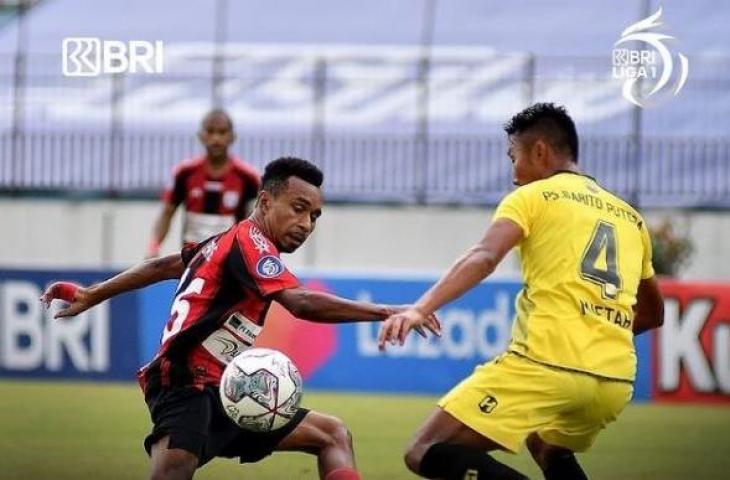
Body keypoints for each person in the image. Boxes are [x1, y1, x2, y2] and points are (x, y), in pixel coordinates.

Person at [42, 157, 439, 480]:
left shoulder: (222, 242)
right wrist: (389, 310)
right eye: (298, 209)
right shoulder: (251, 244)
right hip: (184, 383)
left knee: (332, 434)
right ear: (265, 202)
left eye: (315, 216)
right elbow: (300, 303)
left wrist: (94, 293)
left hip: (229, 391)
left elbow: (166, 265)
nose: (306, 224)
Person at [378, 103, 665, 480]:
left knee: (425, 450)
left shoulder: (533, 197)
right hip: (614, 380)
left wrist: (419, 308)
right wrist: (595, 333)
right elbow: (653, 313)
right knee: (546, 446)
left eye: (513, 157)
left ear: (540, 151)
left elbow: (484, 257)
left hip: (546, 364)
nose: (513, 174)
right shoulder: (630, 217)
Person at [147, 109, 261, 257]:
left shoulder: (248, 177)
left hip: (230, 259)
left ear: (232, 137)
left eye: (222, 132)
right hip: (193, 257)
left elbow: (256, 221)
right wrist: (153, 247)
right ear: (201, 136)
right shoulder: (185, 172)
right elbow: (167, 212)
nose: (216, 138)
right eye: (210, 131)